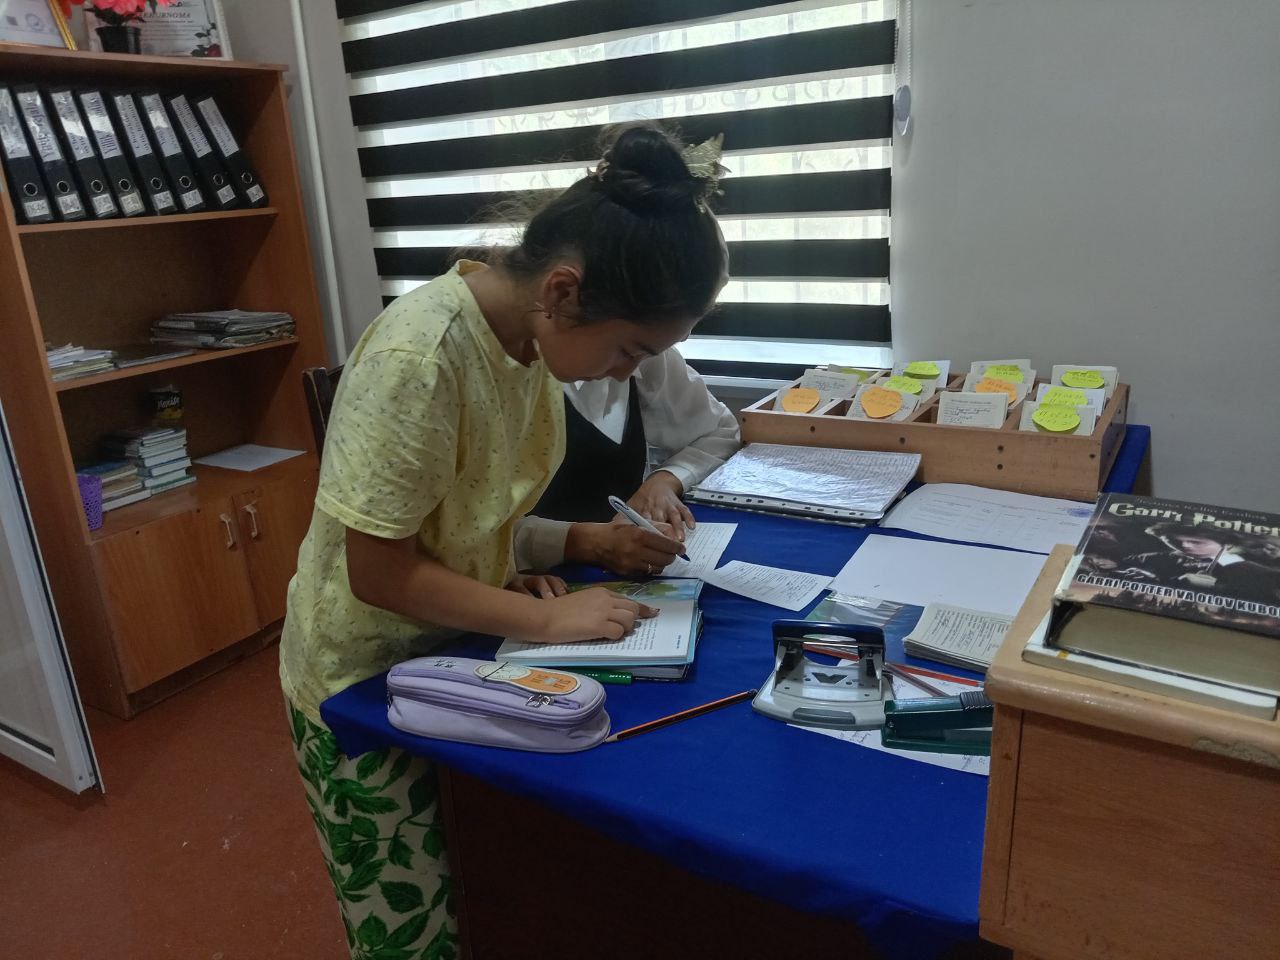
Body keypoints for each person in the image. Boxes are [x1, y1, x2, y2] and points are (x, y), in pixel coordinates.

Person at [278, 124, 729, 959]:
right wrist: (545, 622)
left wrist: (500, 571)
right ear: (562, 290)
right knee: (412, 923)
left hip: (456, 641)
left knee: (498, 876)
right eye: (629, 349)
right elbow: (377, 569)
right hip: (364, 674)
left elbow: (468, 506)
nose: (626, 374)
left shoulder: (526, 344)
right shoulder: (423, 357)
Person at [513, 350, 740, 576]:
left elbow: (721, 430)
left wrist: (664, 480)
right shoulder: (517, 376)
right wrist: (585, 542)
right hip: (531, 572)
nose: (627, 373)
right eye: (627, 351)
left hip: (620, 562)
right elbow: (492, 535)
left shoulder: (648, 354)